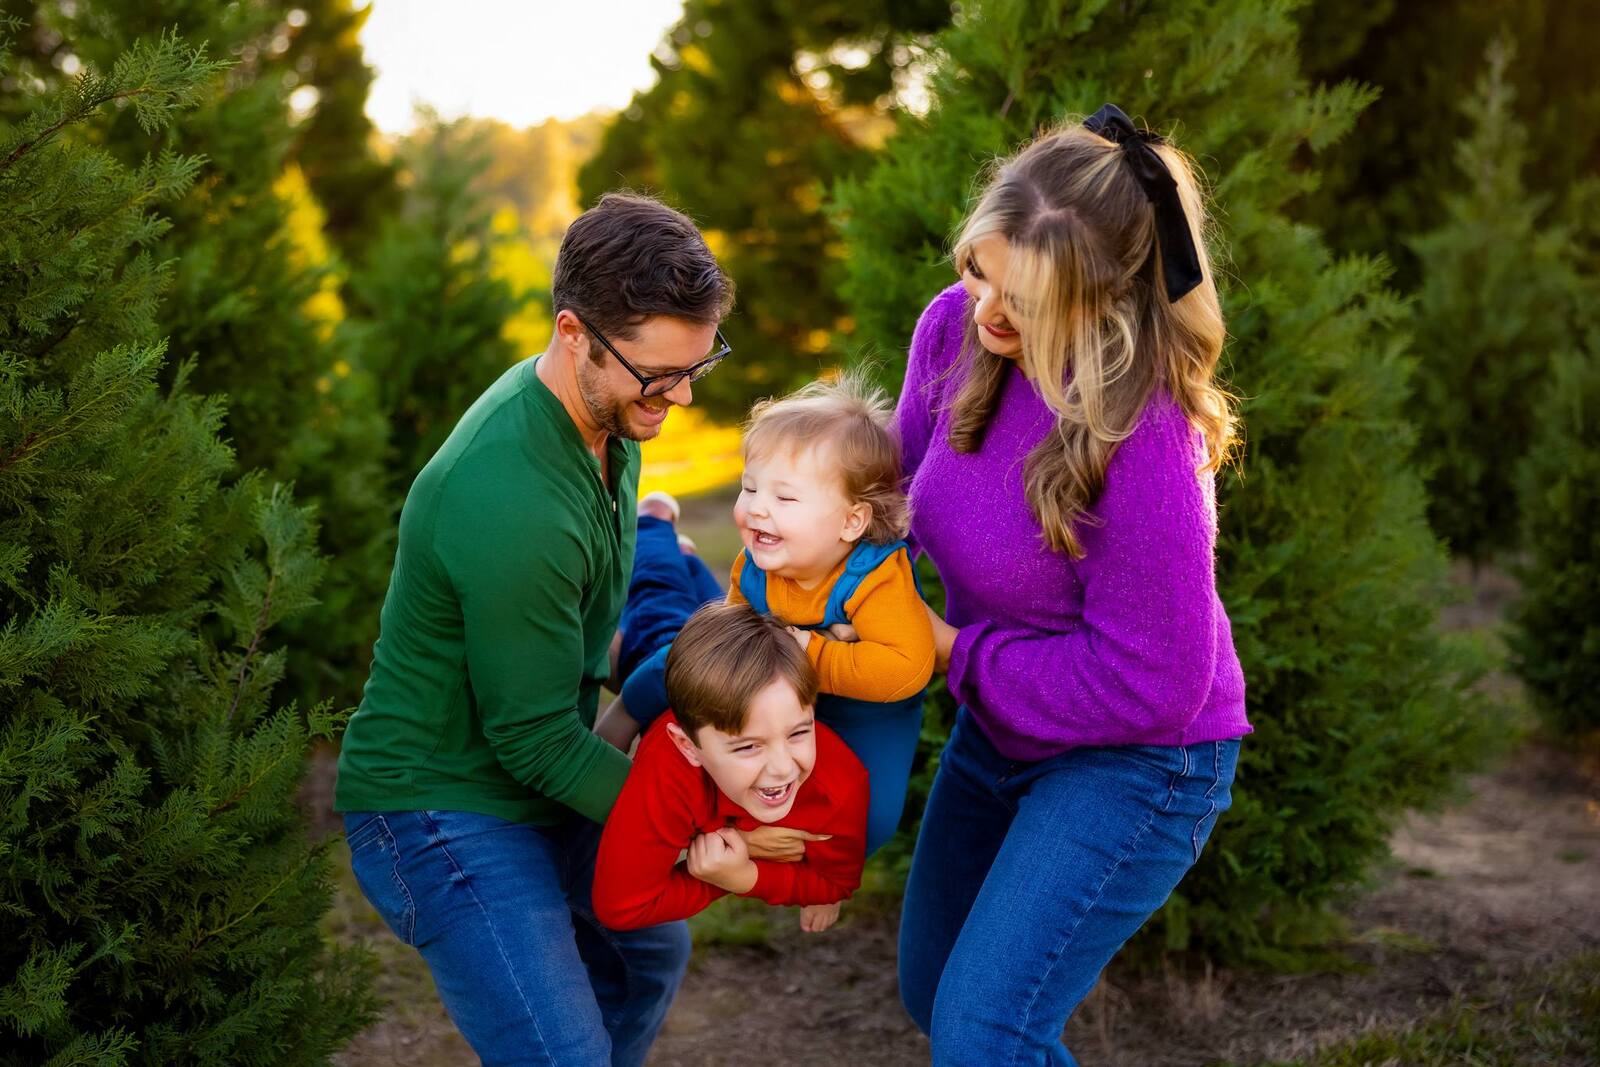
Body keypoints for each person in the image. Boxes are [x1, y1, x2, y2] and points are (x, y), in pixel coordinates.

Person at [333, 192, 734, 1067]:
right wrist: (695, 819)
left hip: (524, 763)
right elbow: (535, 741)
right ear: (573, 331)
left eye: (697, 365)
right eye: (661, 373)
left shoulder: (606, 419)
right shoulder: (512, 498)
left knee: (649, 948)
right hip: (437, 803)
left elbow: (596, 613)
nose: (684, 395)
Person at [892, 105, 1253, 1065]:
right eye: (982, 271)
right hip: (1001, 727)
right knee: (936, 995)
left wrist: (953, 652)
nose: (988, 312)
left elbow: (1154, 680)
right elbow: (895, 499)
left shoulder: (1148, 438)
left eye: (1026, 299)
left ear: (1103, 299)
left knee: (983, 1032)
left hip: (1141, 758)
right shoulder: (955, 331)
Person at [596, 373, 936, 855]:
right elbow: (723, 644)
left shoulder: (876, 578)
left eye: (785, 497)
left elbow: (908, 668)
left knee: (869, 822)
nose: (756, 509)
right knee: (694, 655)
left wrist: (810, 654)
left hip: (867, 709)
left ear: (851, 520)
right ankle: (625, 710)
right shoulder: (759, 563)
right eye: (750, 488)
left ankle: (815, 874)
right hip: (783, 690)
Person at [594, 601, 869, 934]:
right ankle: (668, 547)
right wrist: (735, 874)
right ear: (687, 746)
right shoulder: (670, 767)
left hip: (727, 653)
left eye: (798, 731)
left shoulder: (838, 785)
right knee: (657, 593)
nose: (783, 768)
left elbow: (835, 885)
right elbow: (622, 908)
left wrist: (745, 873)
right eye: (748, 746)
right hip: (663, 657)